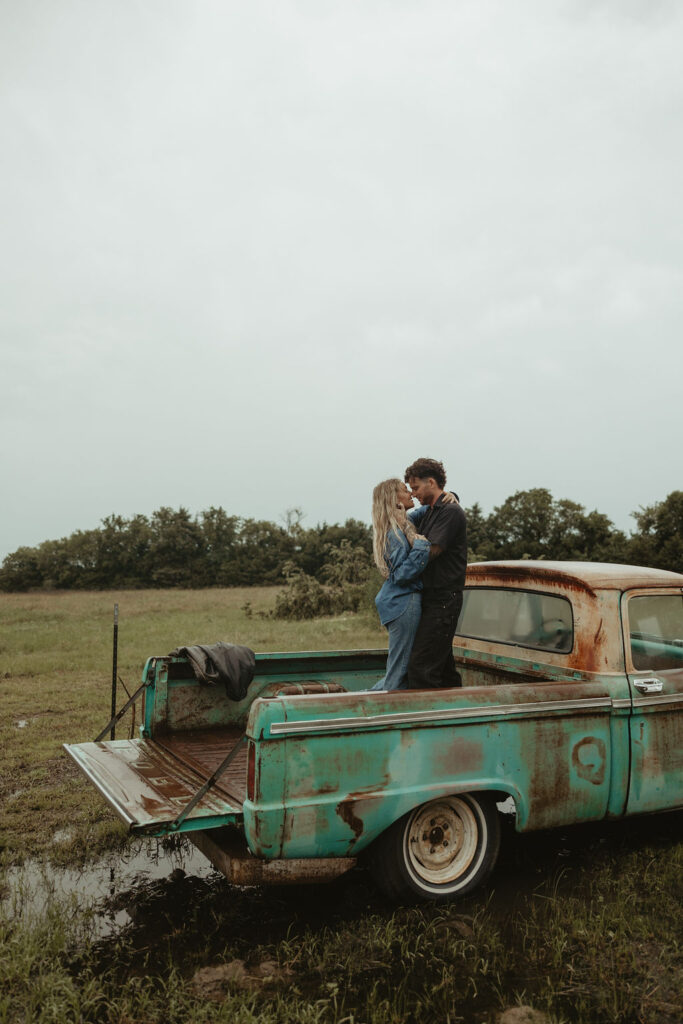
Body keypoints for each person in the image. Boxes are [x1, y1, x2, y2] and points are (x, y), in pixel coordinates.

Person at [404, 457, 467, 689]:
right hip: (432, 599)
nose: (414, 494)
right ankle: (459, 712)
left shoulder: (450, 512)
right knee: (442, 668)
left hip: (443, 600)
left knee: (421, 668)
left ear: (431, 482)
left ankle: (427, 720)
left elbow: (433, 550)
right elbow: (402, 521)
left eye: (416, 488)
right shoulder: (429, 512)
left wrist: (402, 569)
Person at [369, 479, 431, 691]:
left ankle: (367, 699)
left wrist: (451, 496)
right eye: (406, 491)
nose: (411, 494)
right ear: (394, 499)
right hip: (403, 602)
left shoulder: (399, 523)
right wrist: (422, 546)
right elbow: (402, 575)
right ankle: (370, 705)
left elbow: (431, 511)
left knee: (401, 665)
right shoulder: (393, 533)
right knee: (400, 669)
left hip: (397, 602)